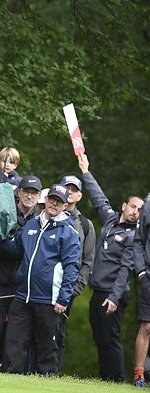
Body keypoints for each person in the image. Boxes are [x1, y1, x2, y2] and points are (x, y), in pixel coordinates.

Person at [1, 184, 80, 375]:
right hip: (23, 296)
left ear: (65, 205)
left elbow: (72, 268)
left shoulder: (69, 231)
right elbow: (16, 250)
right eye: (52, 199)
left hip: (49, 299)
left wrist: (63, 298)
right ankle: (9, 383)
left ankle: (45, 383)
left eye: (59, 201)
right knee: (13, 345)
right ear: (46, 199)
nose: (54, 203)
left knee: (46, 350)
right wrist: (1, 235)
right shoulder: (31, 224)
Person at [77, 153, 142, 383]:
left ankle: (116, 379)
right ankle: (106, 379)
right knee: (100, 338)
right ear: (124, 206)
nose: (135, 211)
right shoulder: (111, 220)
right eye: (132, 206)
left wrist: (114, 298)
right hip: (98, 291)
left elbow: (126, 270)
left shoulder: (134, 236)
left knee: (111, 338)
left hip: (114, 293)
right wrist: (85, 171)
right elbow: (98, 198)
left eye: (140, 210)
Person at [0, 175, 42, 372]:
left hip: (22, 288)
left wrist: (11, 243)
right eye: (26, 191)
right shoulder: (5, 211)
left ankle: (14, 376)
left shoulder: (40, 220)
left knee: (18, 338)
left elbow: (28, 252)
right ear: (19, 192)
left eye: (34, 193)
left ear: (39, 195)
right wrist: (11, 243)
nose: (29, 196)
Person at [55, 174, 96, 371]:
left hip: (67, 288)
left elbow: (88, 261)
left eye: (74, 189)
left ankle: (51, 374)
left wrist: (75, 289)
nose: (70, 192)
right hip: (43, 284)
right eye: (67, 188)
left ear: (80, 196)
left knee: (58, 333)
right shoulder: (48, 214)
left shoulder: (86, 225)